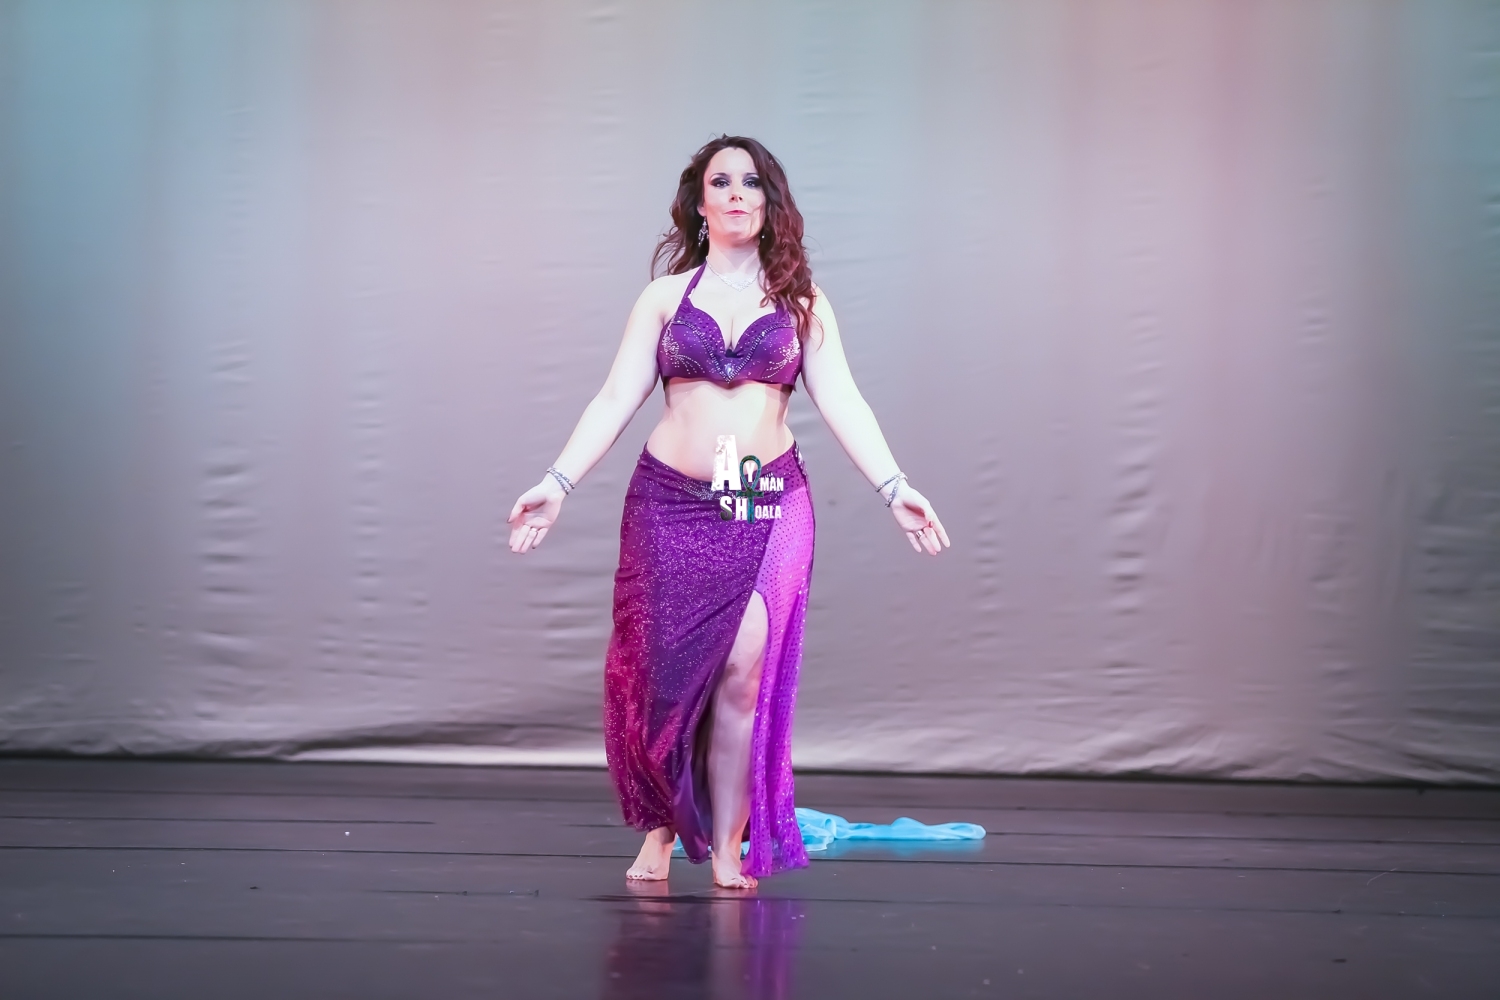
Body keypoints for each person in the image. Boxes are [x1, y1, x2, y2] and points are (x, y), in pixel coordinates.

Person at [507, 136, 950, 889]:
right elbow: (615, 398)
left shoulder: (802, 302)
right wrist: (558, 481)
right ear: (700, 202)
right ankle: (660, 830)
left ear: (770, 203)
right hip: (671, 504)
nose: (738, 192)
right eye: (722, 181)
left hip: (764, 499)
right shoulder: (664, 299)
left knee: (745, 672)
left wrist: (893, 486)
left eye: (752, 181)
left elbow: (843, 399)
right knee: (664, 675)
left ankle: (724, 850)